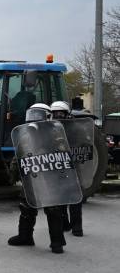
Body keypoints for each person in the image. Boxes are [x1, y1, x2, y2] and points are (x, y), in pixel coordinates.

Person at [8, 103, 67, 253]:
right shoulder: (26, 135)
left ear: (47, 116)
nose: (34, 119)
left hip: (50, 178)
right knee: (26, 206)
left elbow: (63, 155)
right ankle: (25, 236)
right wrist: (13, 173)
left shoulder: (56, 135)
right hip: (31, 177)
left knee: (53, 209)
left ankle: (57, 242)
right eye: (32, 115)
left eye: (37, 115)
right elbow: (19, 155)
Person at [51, 100, 84, 237]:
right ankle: (64, 224)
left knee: (75, 197)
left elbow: (84, 143)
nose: (58, 115)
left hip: (73, 166)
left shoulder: (75, 127)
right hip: (58, 166)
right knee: (61, 197)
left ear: (66, 114)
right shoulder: (50, 128)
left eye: (61, 113)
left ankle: (77, 227)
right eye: (56, 113)